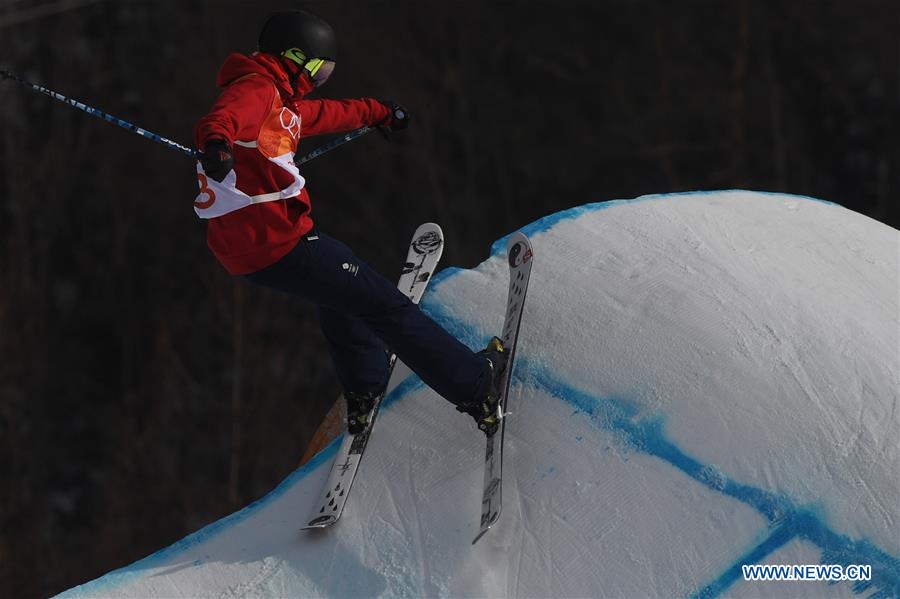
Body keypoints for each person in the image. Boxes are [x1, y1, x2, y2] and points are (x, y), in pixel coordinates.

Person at [193, 9, 506, 436]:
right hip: (280, 242)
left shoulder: (278, 101)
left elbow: (324, 114)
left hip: (250, 250)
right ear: (294, 58)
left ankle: (365, 386)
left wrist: (377, 112)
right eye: (318, 71)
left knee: (338, 293)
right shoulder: (256, 90)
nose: (318, 81)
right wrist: (216, 144)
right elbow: (220, 119)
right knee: (385, 306)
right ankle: (477, 386)